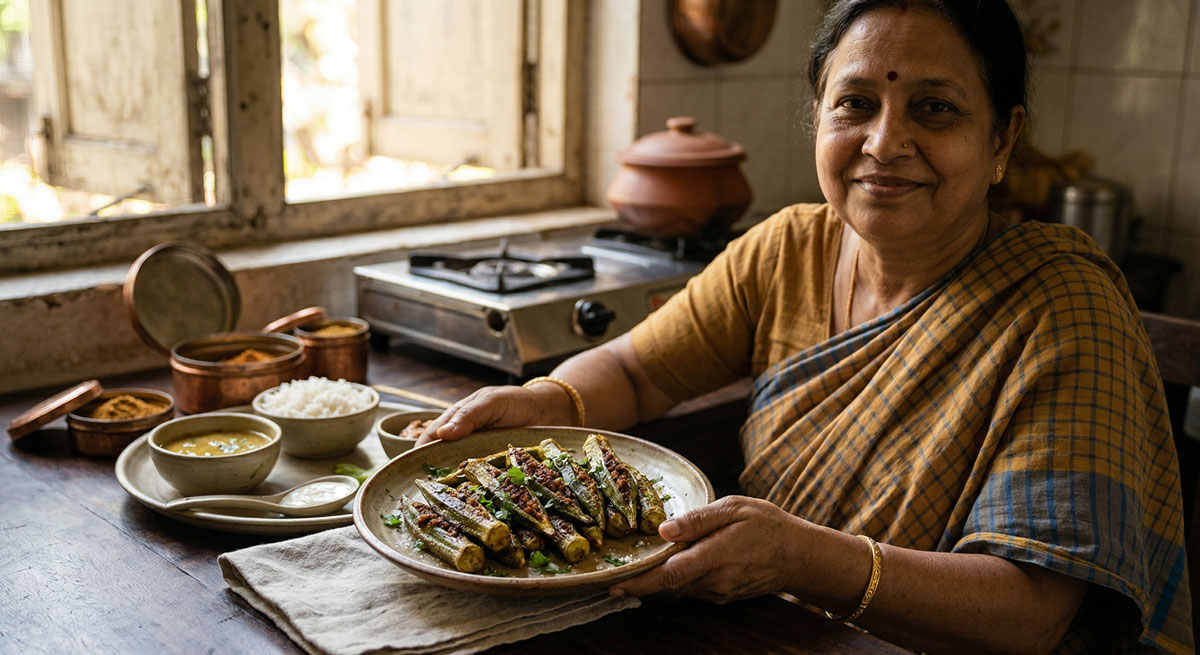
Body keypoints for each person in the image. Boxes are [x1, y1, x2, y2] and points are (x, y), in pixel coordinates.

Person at [417, 1, 1192, 651]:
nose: (885, 142)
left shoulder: (1061, 306)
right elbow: (636, 371)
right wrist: (549, 398)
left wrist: (800, 557)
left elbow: (1032, 611)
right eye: (855, 103)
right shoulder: (791, 246)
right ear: (817, 118)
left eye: (936, 107)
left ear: (1002, 141)